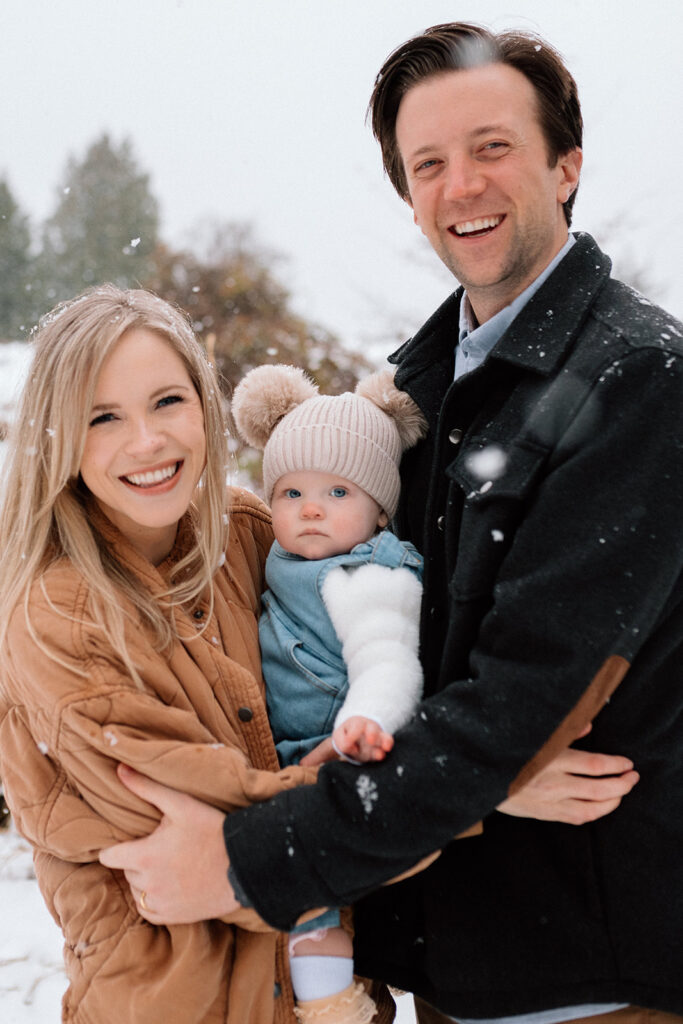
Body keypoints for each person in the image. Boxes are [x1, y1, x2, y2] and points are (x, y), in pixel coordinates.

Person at [99, 18, 683, 1024]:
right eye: (428, 163)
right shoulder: (412, 398)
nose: (460, 186)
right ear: (408, 197)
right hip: (446, 970)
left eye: (491, 148)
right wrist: (489, 787)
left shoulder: (636, 380)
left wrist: (247, 862)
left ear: (565, 166)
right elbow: (362, 663)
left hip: (589, 985)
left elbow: (519, 701)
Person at [0, 285, 327, 1024]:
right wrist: (464, 792)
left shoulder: (254, 537)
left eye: (168, 401)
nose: (147, 441)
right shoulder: (58, 617)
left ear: (205, 408)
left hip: (319, 998)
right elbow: (208, 852)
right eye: (102, 417)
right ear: (58, 436)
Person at [231, 362, 428, 1022]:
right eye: (290, 492)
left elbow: (389, 661)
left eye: (338, 492)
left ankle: (333, 1010)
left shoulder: (367, 577)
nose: (310, 507)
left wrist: (365, 719)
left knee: (312, 911)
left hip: (341, 757)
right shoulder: (278, 562)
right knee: (301, 906)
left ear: (378, 512)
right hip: (284, 766)